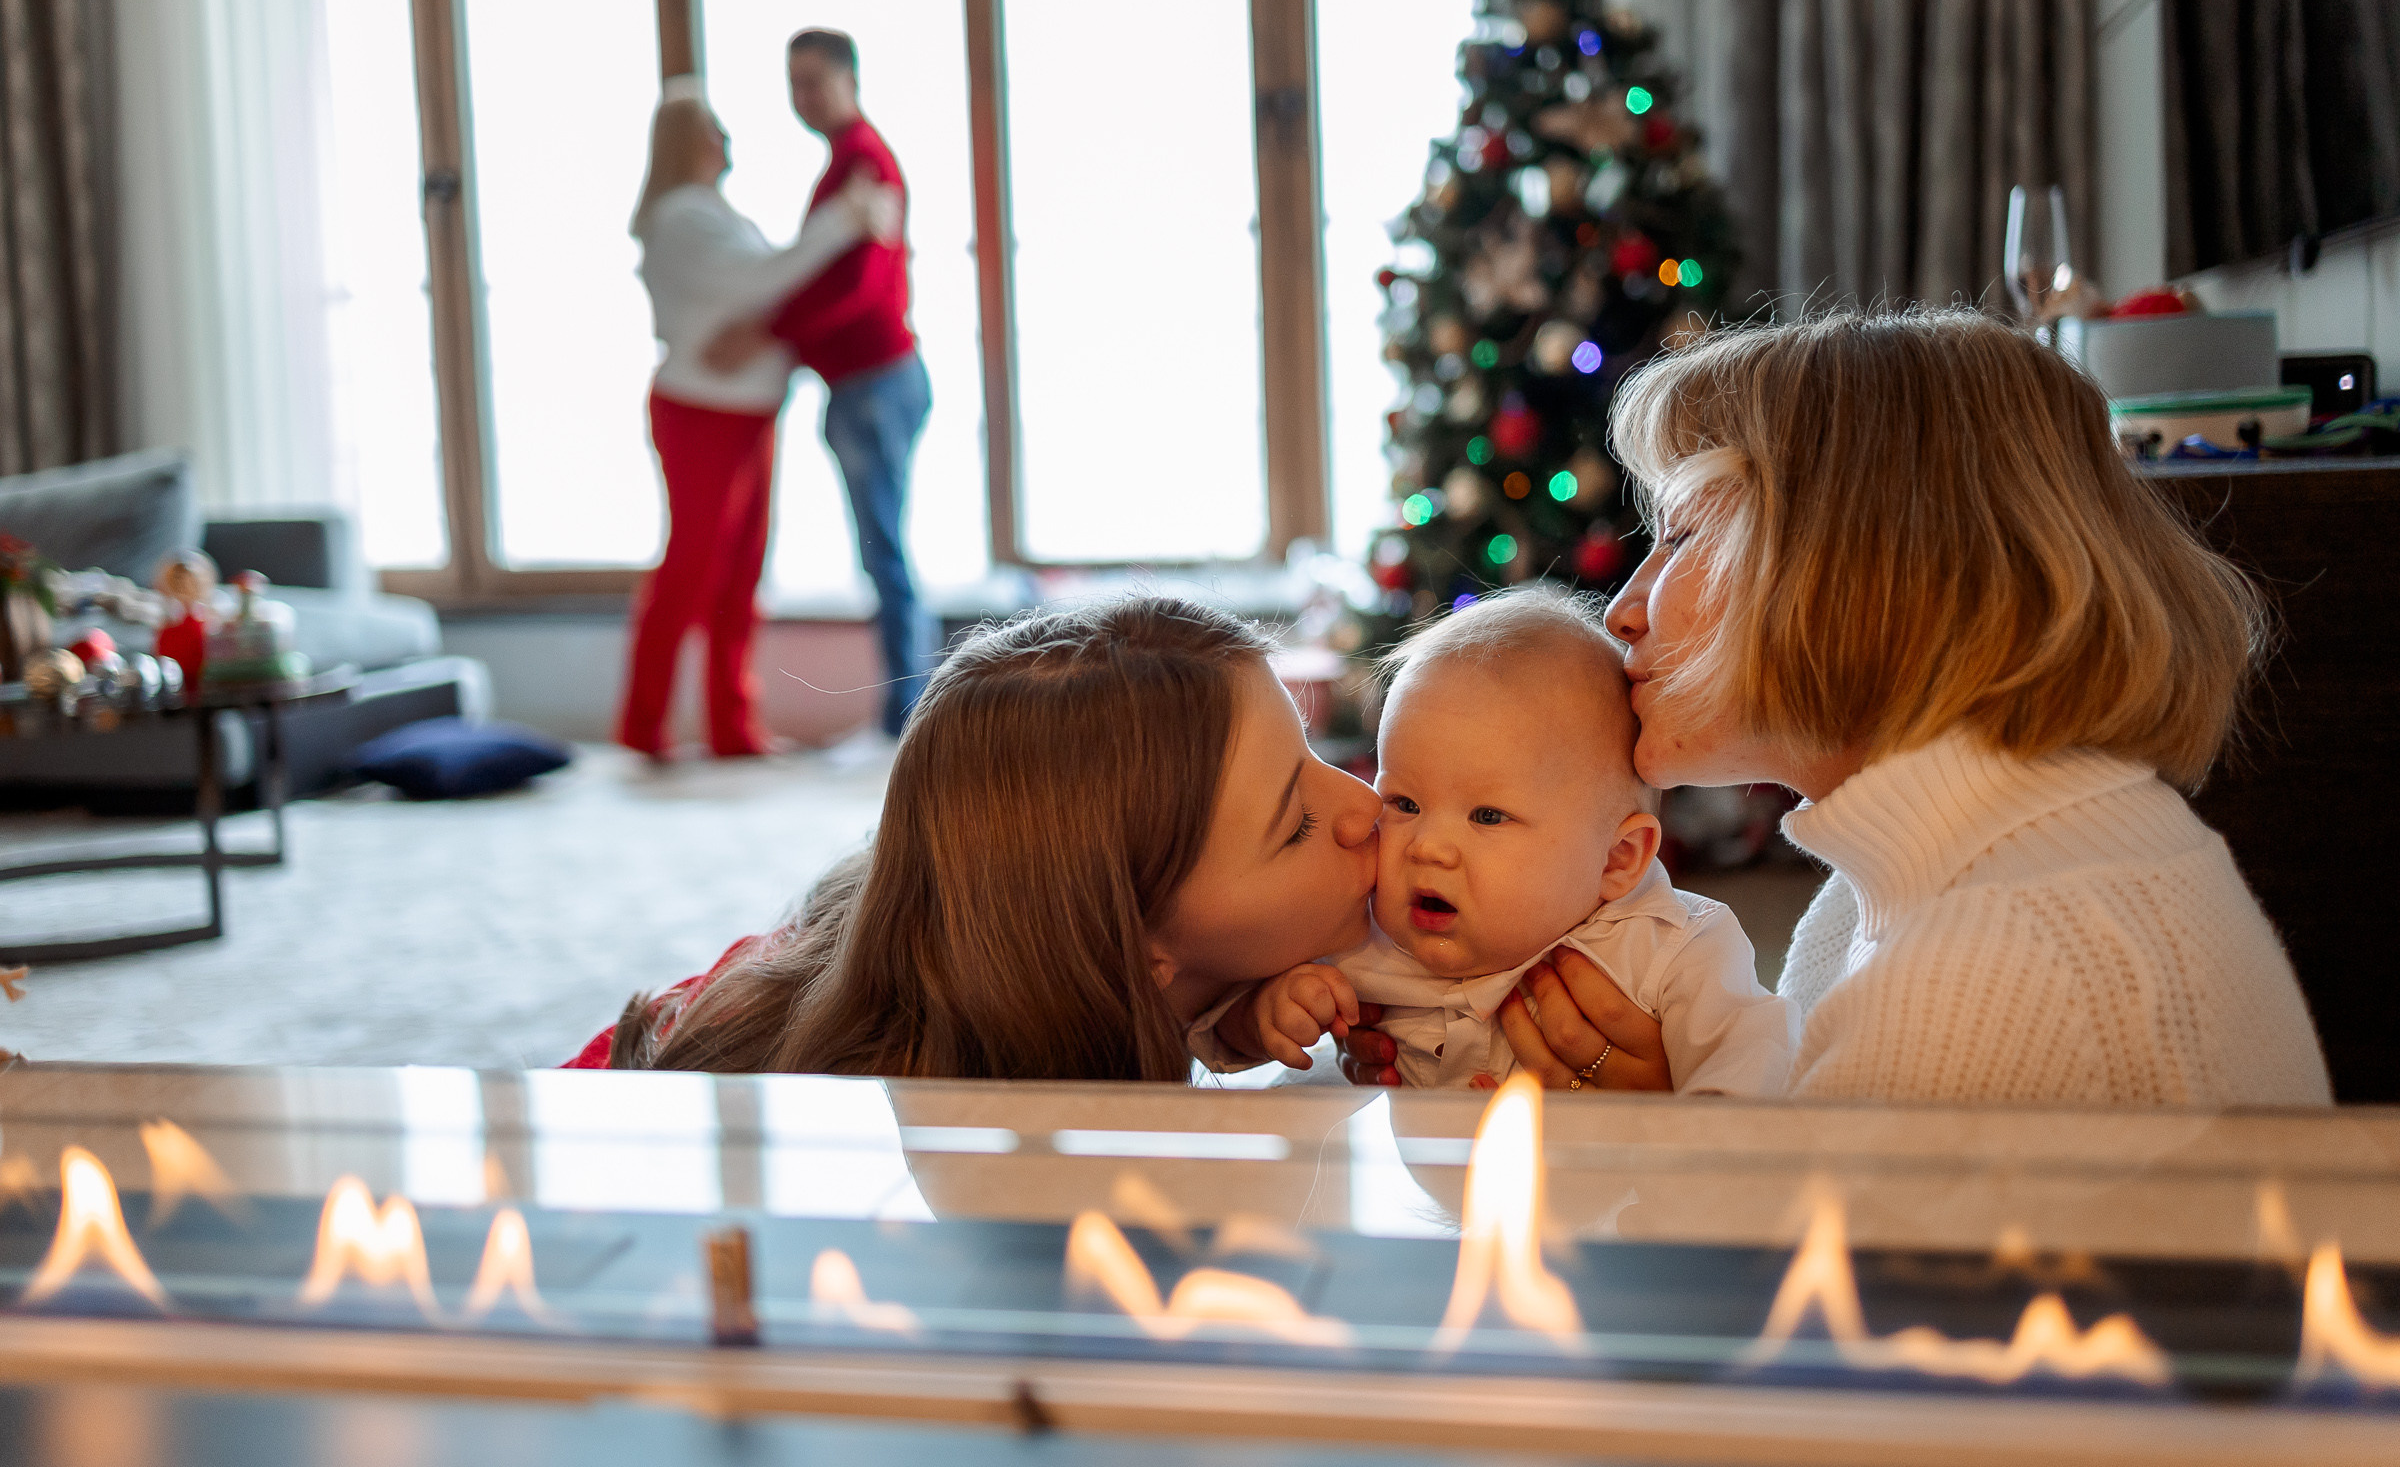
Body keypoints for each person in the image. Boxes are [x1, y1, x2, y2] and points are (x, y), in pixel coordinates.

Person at [1347, 308, 2332, 1108]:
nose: (1625, 607)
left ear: (1860, 571)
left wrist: (1664, 1146)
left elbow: (1792, 1329)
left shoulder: (1983, 974)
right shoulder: (1918, 876)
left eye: (1684, 534)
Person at [571, 595, 1384, 1078]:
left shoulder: (1035, 933)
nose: (1366, 805)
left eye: (1315, 753)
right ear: (1133, 950)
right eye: (1297, 825)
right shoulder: (980, 1135)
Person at [1206, 588, 1795, 1095]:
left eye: (1487, 816)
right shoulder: (1363, 933)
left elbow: (1755, 1091)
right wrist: (1263, 1017)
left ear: (1618, 859)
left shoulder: (1674, 952)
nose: (1427, 847)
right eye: (1404, 804)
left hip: (1618, 1219)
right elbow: (1210, 1020)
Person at [616, 83, 900, 760]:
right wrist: (843, 223)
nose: (729, 142)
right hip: (701, 412)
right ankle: (643, 726)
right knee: (690, 567)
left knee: (741, 575)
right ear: (691, 140)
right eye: (716, 129)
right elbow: (764, 280)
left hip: (747, 413)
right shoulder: (683, 215)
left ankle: (731, 725)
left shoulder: (715, 212)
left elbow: (765, 293)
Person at [707, 28, 933, 754]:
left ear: (849, 78)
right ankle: (905, 720)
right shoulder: (845, 166)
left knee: (887, 556)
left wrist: (774, 331)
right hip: (863, 384)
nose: (802, 97)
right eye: (792, 82)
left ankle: (911, 725)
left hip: (877, 382)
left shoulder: (867, 164)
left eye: (813, 81)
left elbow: (861, 290)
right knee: (882, 554)